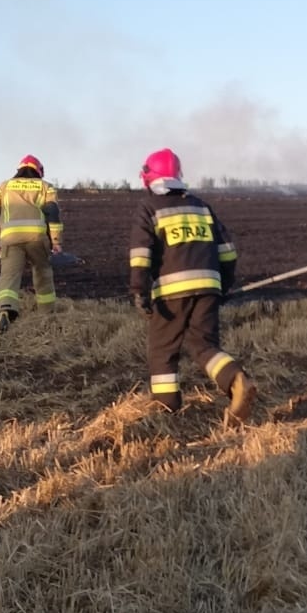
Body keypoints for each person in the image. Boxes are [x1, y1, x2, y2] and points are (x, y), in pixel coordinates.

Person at [128, 148, 257, 423]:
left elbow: (141, 252)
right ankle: (236, 379)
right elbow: (228, 252)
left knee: (163, 350)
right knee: (204, 345)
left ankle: (167, 410)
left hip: (171, 292)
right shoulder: (201, 207)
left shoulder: (149, 207)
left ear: (149, 179)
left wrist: (139, 291)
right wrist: (223, 285)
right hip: (209, 286)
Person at [0, 154, 63, 333]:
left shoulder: (4, 187)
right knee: (43, 273)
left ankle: (5, 311)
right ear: (39, 171)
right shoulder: (46, 187)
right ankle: (47, 315)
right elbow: (53, 213)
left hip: (10, 238)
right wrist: (57, 241)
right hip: (37, 238)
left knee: (9, 276)